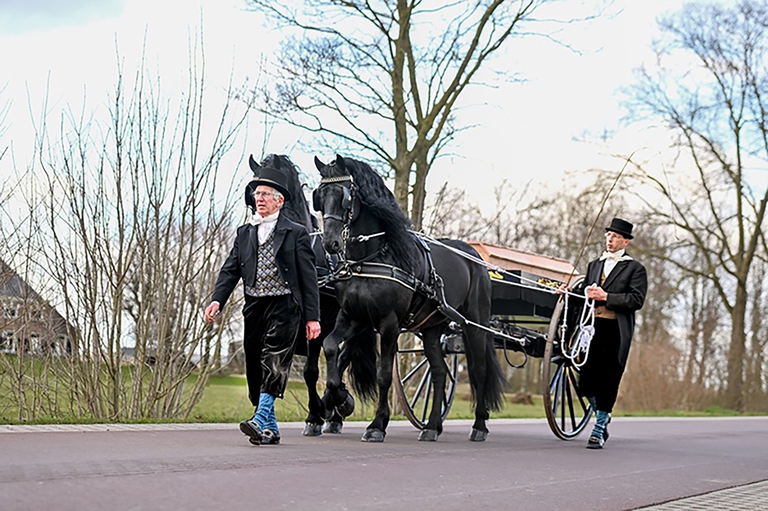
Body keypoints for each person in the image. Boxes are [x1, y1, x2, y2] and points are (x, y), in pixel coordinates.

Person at [204, 158, 321, 446]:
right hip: (255, 306)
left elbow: (309, 279)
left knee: (275, 359)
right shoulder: (244, 233)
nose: (260, 198)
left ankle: (259, 418)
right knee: (255, 364)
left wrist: (312, 317)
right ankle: (270, 429)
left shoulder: (296, 232)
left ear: (279, 201)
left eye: (266, 194)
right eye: (257, 194)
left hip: (286, 305)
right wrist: (217, 300)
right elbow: (230, 270)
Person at [562, 217, 647, 449]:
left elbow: (636, 300)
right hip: (590, 329)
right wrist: (569, 292)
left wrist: (607, 297)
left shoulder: (635, 269)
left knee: (609, 380)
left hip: (615, 331)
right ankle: (603, 415)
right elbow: (584, 294)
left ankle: (598, 429)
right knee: (586, 382)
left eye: (616, 237)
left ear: (625, 242)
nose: (610, 240)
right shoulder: (594, 265)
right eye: (609, 235)